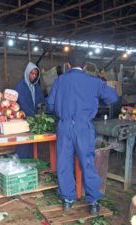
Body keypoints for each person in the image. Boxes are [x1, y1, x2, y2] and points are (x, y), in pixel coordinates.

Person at [46, 52, 118, 215]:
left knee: (64, 162)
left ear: (68, 65)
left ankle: (67, 200)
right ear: (85, 66)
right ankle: (93, 202)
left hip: (64, 126)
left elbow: (50, 105)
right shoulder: (94, 81)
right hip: (83, 127)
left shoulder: (60, 80)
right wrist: (96, 99)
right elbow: (113, 98)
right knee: (87, 163)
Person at [15, 62, 45, 159]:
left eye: (36, 74)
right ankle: (21, 163)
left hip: (34, 120)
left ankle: (31, 162)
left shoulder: (36, 87)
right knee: (23, 144)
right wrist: (29, 116)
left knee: (32, 145)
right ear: (27, 73)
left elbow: (41, 100)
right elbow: (21, 102)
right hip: (24, 119)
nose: (34, 76)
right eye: (32, 73)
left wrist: (41, 106)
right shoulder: (20, 86)